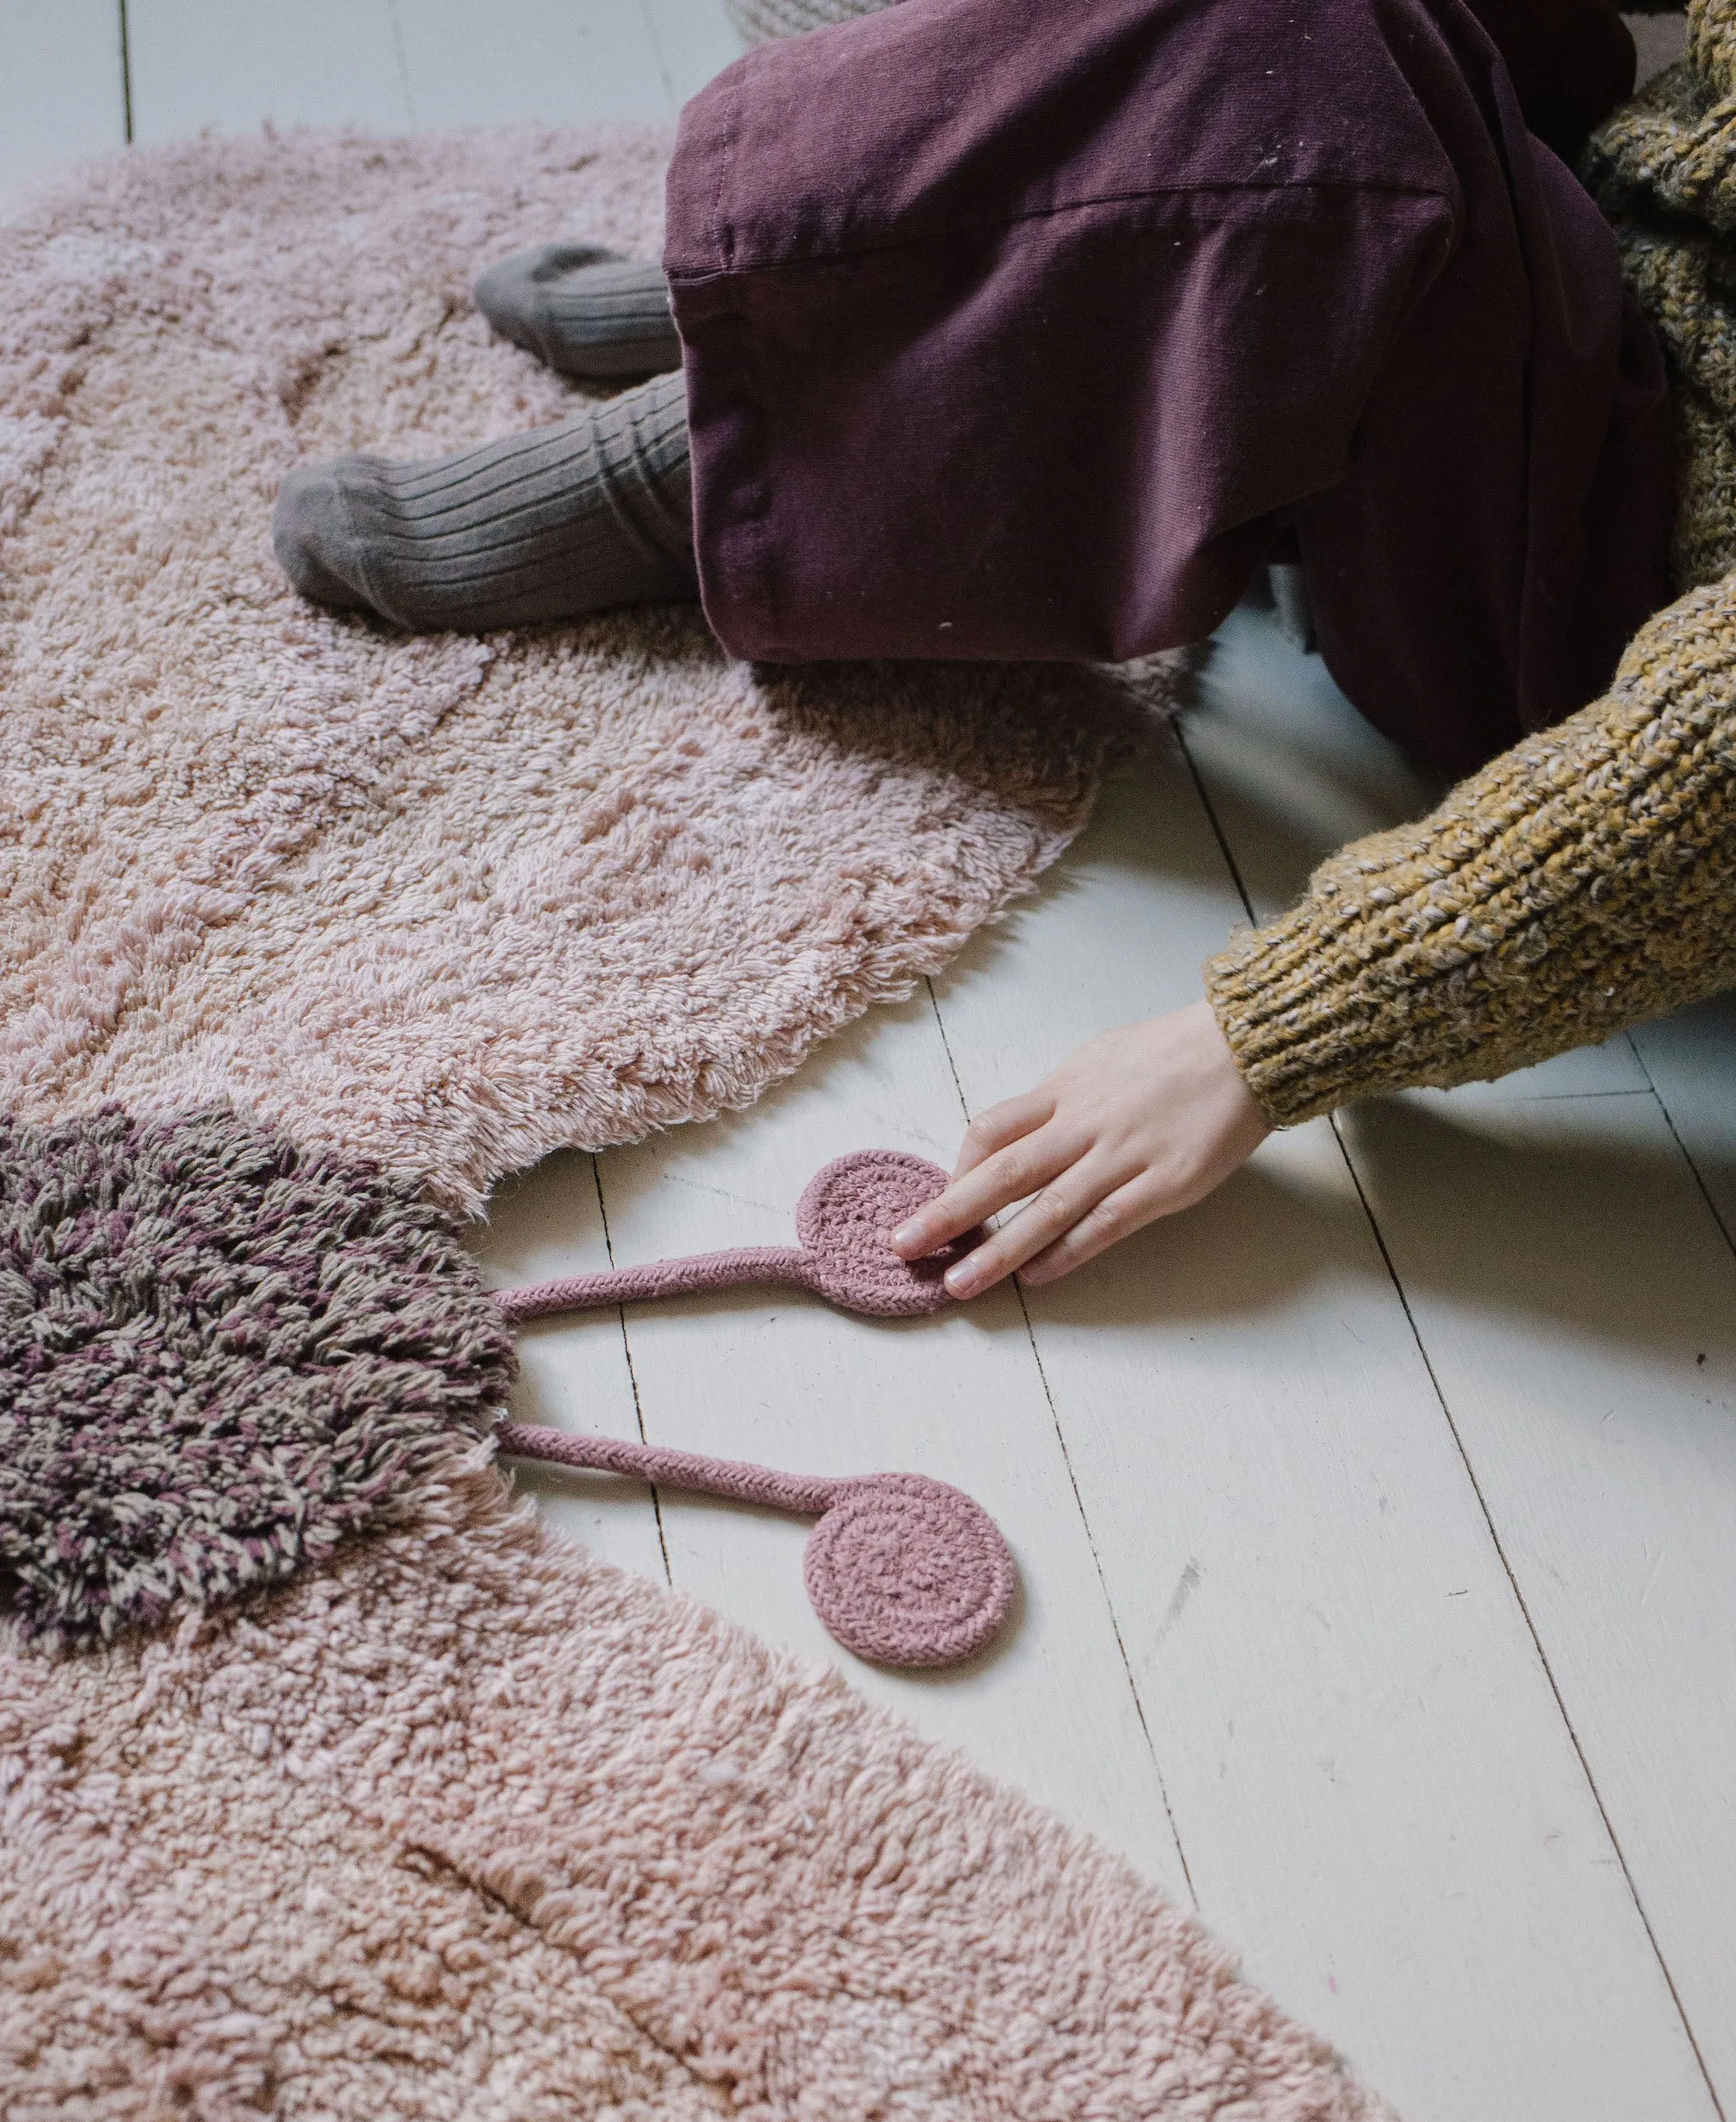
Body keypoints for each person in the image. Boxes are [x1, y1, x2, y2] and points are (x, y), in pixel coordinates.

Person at [274, 0, 1736, 1300]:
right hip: (1612, 281)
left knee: (1302, 64)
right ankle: (777, 316)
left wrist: (1268, 1036)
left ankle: (714, 453)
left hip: (1617, 608)